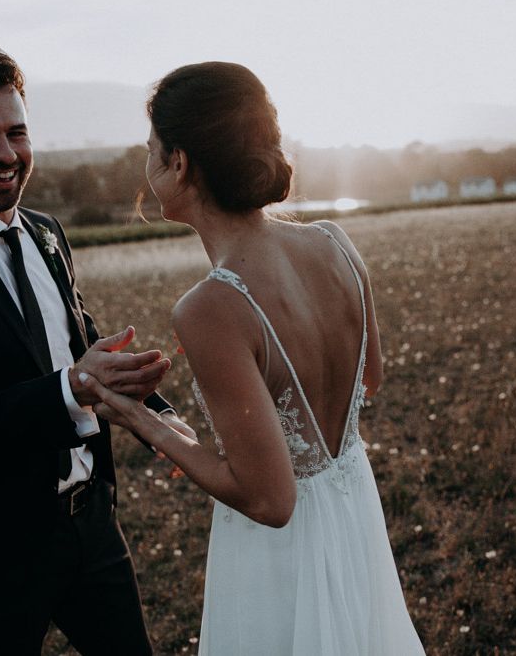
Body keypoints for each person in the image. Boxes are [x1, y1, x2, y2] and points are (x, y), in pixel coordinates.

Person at [80, 61, 425, 655]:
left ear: (180, 162)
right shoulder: (336, 245)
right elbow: (369, 381)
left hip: (281, 561)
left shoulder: (211, 306)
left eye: (150, 149)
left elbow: (271, 500)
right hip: (352, 517)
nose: (146, 165)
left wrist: (140, 419)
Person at [0, 38, 193, 655]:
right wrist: (73, 388)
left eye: (17, 131)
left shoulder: (47, 233)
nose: (8, 153)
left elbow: (80, 339)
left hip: (91, 526)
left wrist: (161, 421)